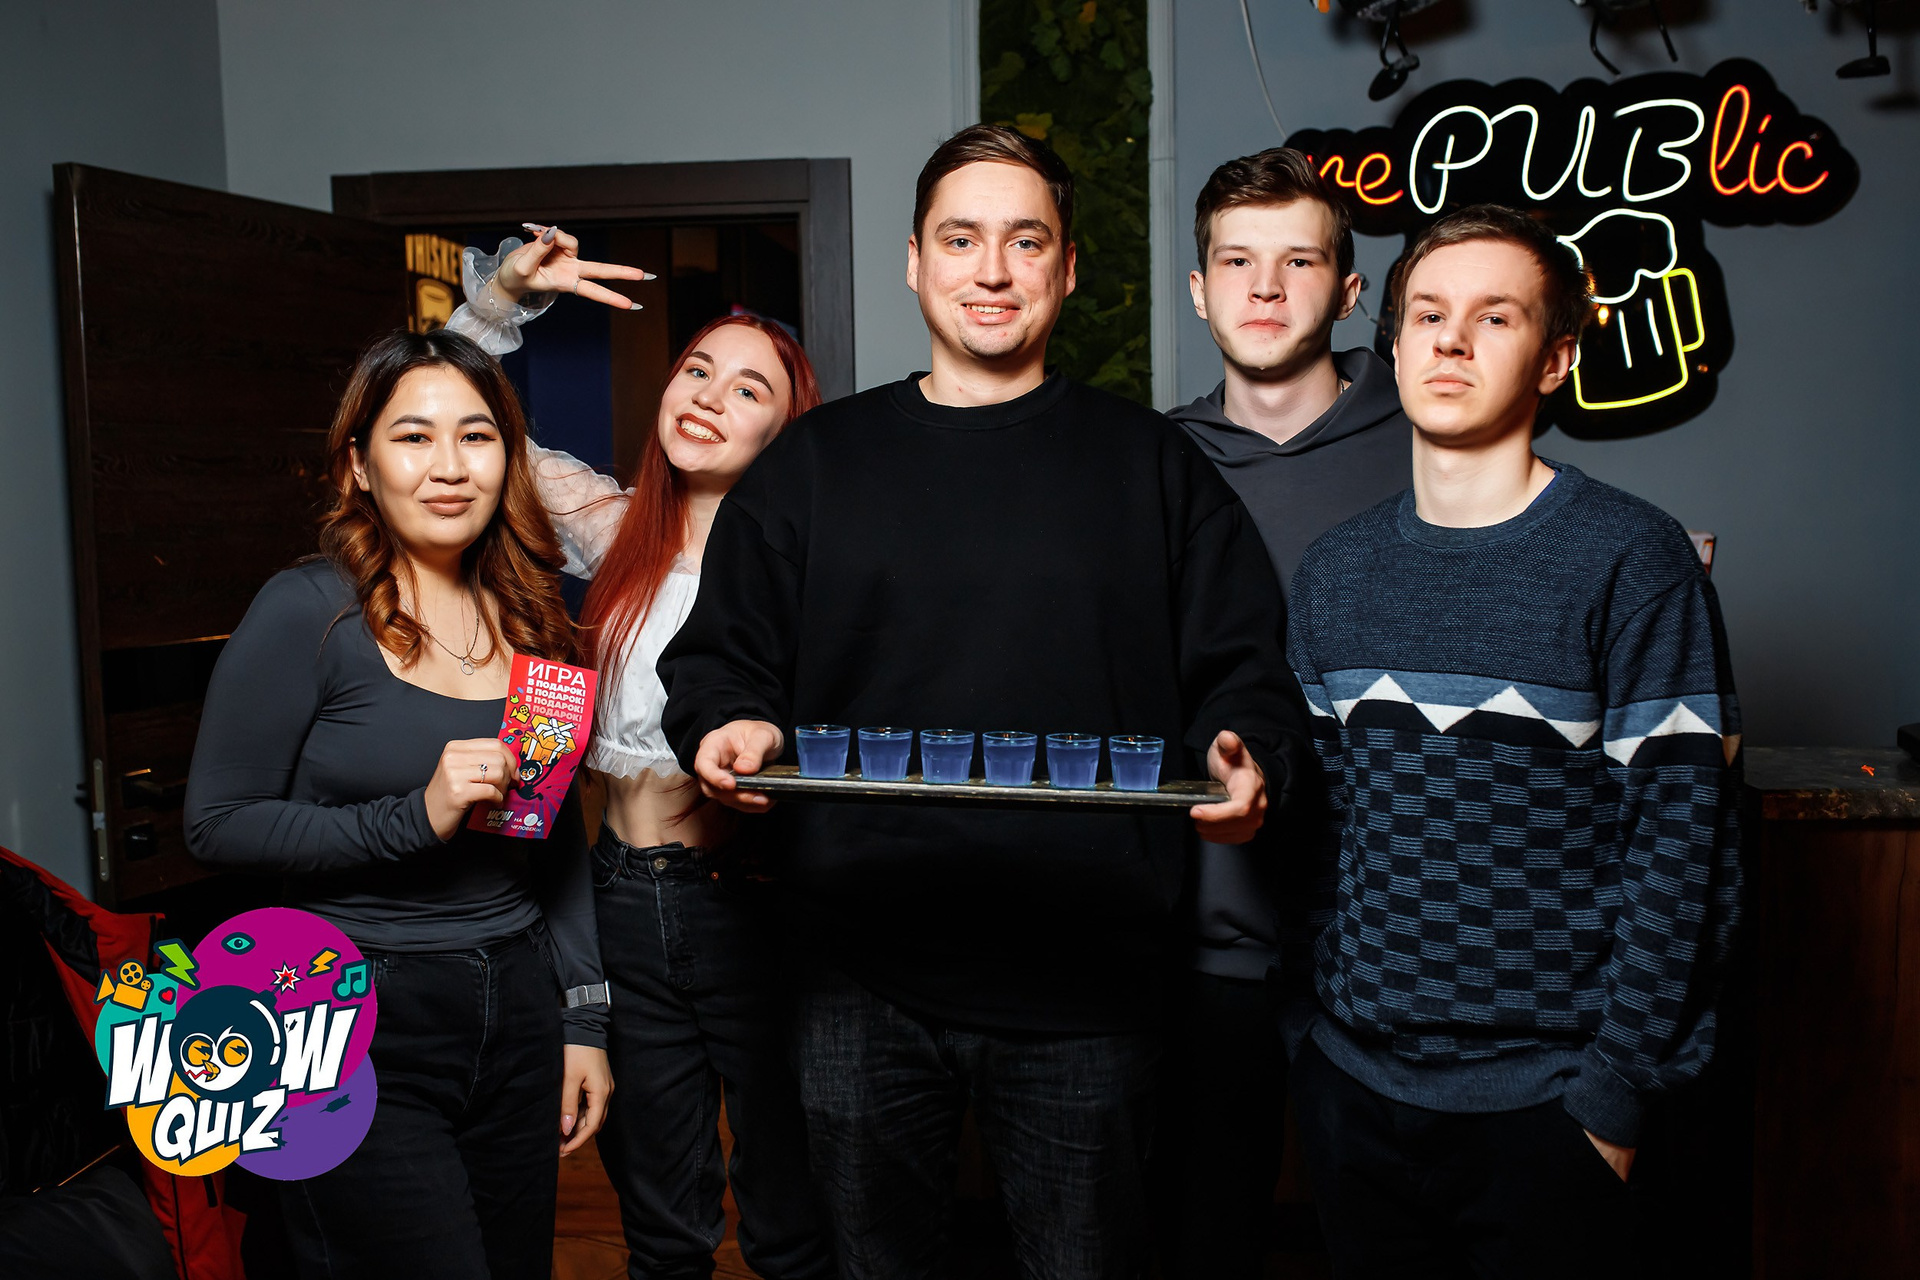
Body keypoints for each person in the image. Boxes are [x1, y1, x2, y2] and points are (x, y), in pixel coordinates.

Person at [656, 124, 1313, 1280]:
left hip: (1090, 981)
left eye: (1026, 240)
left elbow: (1246, 671)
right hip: (853, 972)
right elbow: (719, 662)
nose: (993, 270)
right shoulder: (815, 464)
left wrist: (1249, 750)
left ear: (1068, 267)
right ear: (915, 262)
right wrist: (727, 723)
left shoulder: (1151, 466)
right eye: (961, 239)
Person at [1284, 204, 1743, 1278]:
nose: (1451, 340)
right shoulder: (1334, 573)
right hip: (1355, 1094)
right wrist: (1312, 1036)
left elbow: (1685, 854)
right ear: (1393, 343)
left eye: (1495, 317)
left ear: (1556, 360)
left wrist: (1613, 1096)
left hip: (1550, 1111)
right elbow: (1323, 836)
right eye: (1428, 315)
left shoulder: (1633, 560)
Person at [184, 328, 613, 1280]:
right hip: (345, 1015)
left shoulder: (536, 615)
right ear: (359, 465)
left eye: (477, 436)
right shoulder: (308, 610)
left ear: (509, 458)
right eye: (414, 437)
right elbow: (215, 823)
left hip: (516, 1010)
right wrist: (414, 817)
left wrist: (583, 1018)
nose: (449, 466)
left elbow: (555, 838)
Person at [448, 234, 837, 1280]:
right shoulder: (613, 528)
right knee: (661, 1219)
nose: (709, 396)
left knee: (791, 1217)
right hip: (616, 898)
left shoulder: (807, 577)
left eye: (749, 388)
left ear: (786, 429)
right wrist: (500, 300)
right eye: (697, 369)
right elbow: (464, 421)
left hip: (753, 905)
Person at [1154, 148, 1412, 1279]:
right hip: (1211, 933)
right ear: (1199, 288)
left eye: (1298, 261)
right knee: (1203, 1233)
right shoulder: (1152, 459)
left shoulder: (1435, 434)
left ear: (1348, 293)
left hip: (1397, 933)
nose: (1265, 287)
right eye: (1237, 261)